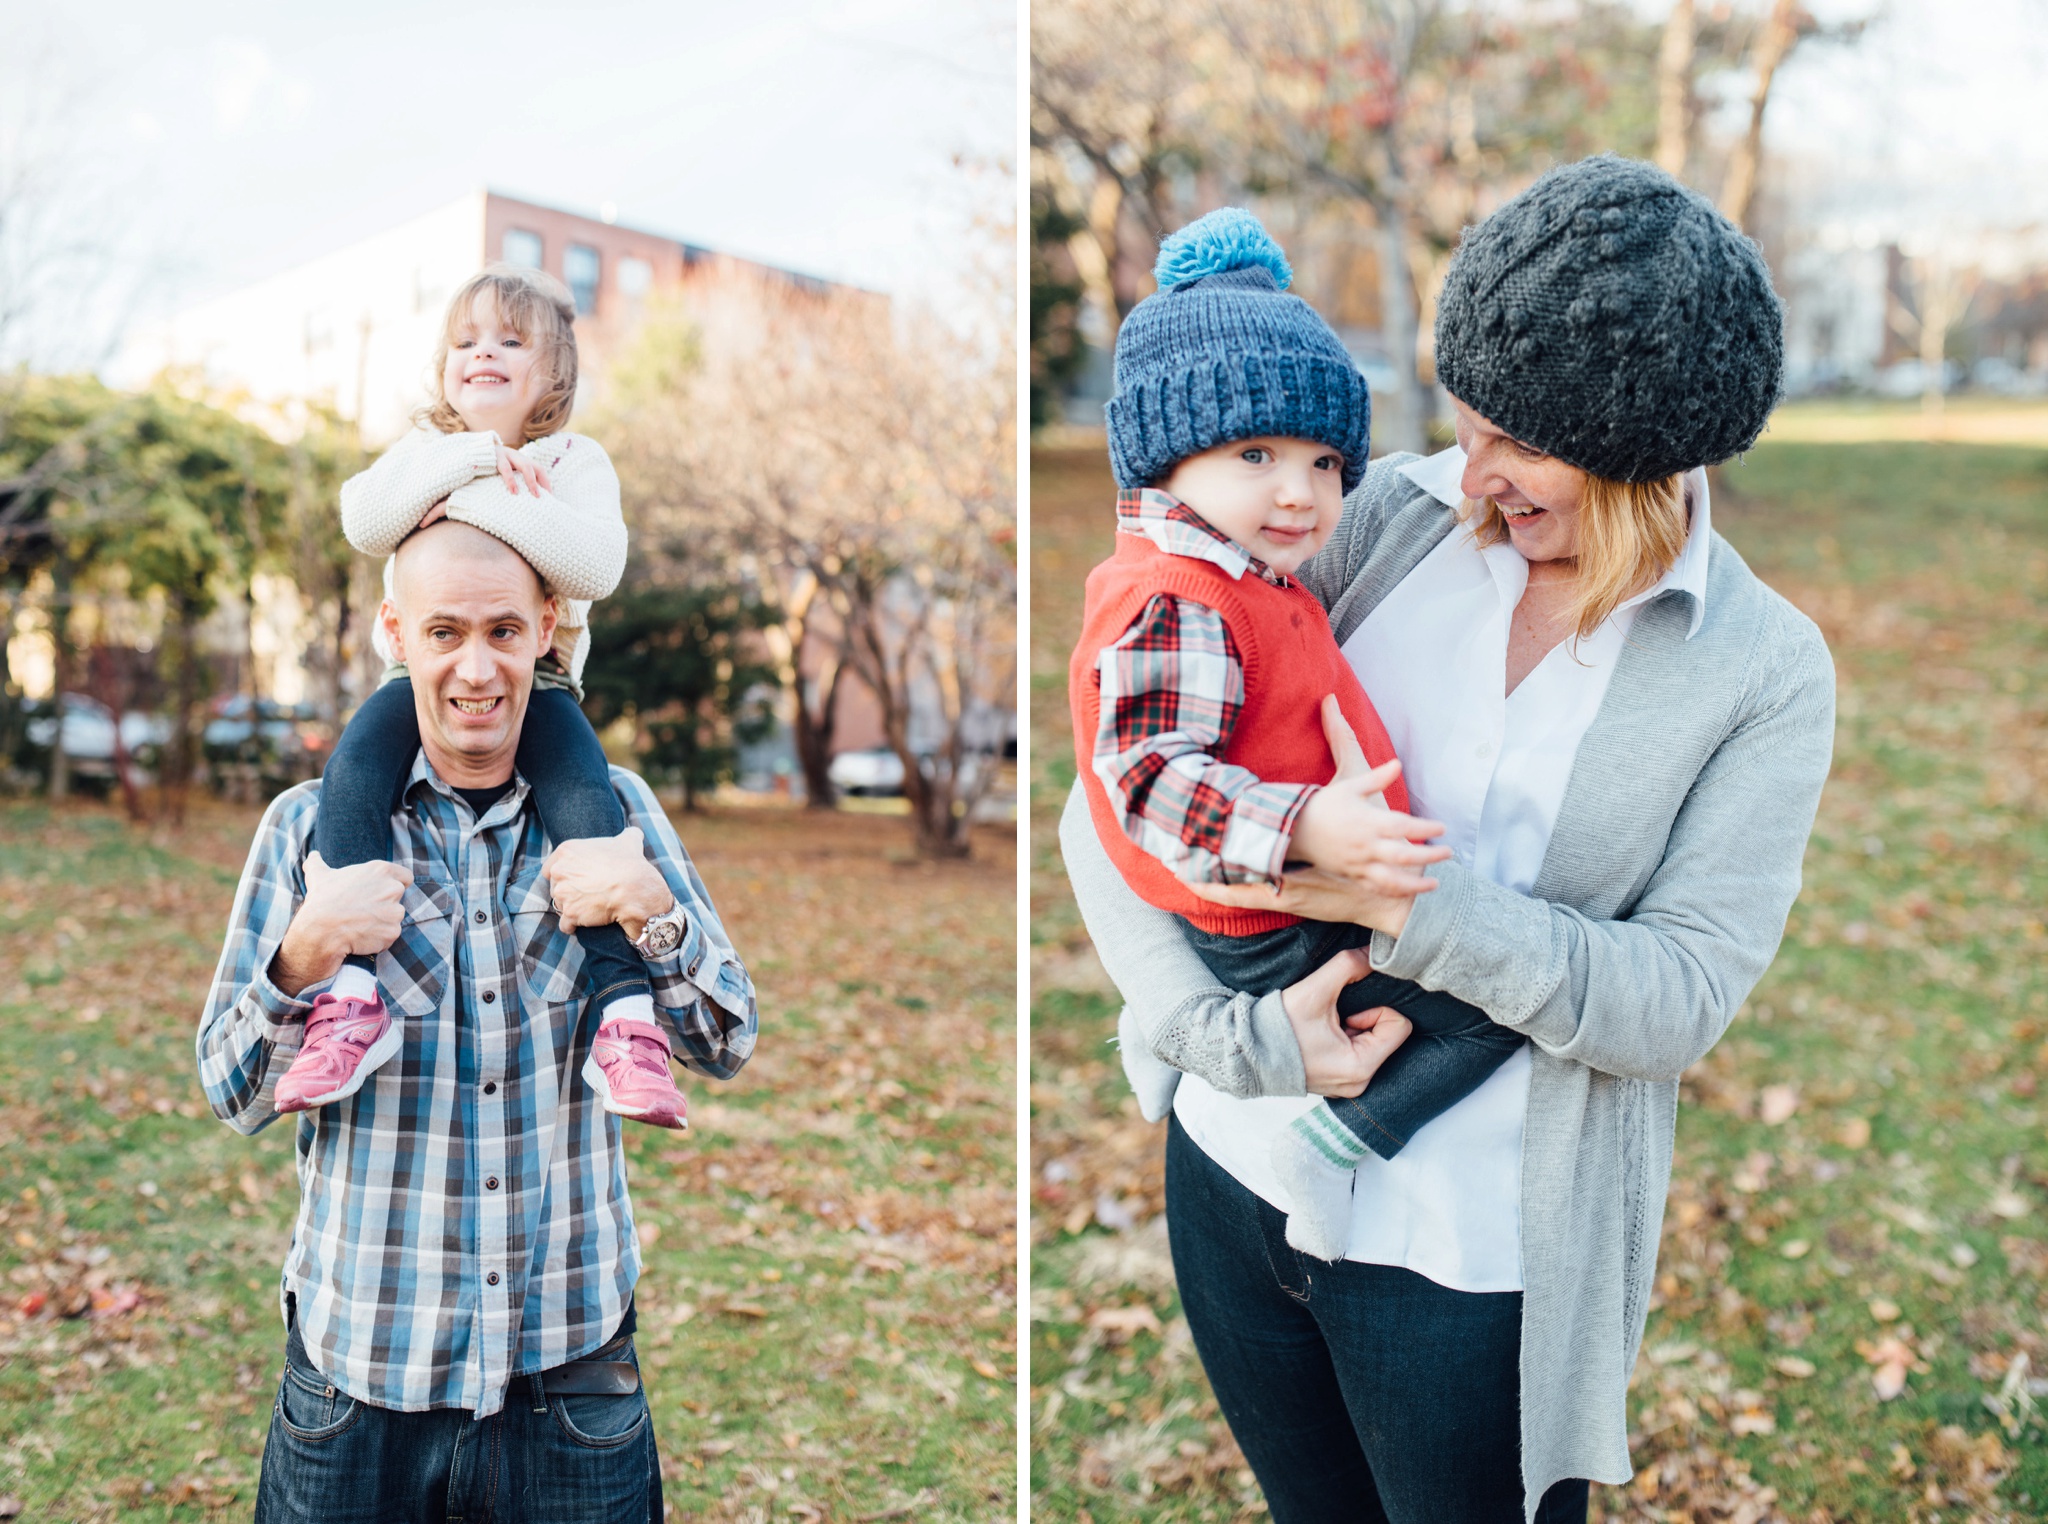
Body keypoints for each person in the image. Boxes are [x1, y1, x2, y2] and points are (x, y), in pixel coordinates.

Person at [1060, 155, 1835, 1522]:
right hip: (1236, 1172)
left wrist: (1415, 908)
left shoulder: (1760, 670)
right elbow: (1108, 801)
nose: (1468, 472)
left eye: (1515, 444)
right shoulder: (1390, 523)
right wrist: (1218, 1042)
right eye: (1460, 423)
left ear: (1644, 451)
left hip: (1475, 1263)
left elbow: (1679, 997)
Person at [197, 518, 756, 1522]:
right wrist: (305, 954)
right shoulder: (304, 828)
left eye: (502, 631)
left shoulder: (613, 810)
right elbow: (231, 1091)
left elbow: (725, 1043)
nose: (475, 668)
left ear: (546, 629)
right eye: (443, 631)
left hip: (568, 1379)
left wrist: (651, 913)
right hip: (358, 1383)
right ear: (395, 632)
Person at [1070, 206, 1525, 1261]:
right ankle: (1329, 1143)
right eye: (1256, 452)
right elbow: (1141, 777)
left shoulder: (1238, 574)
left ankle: (1155, 1030)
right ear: (1166, 460)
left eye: (1324, 462)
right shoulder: (1175, 596)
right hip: (1269, 924)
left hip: (1267, 902)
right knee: (1490, 1002)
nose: (1298, 491)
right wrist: (1308, 824)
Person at [271, 264, 688, 1129]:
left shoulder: (573, 462)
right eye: (464, 340)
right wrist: (470, 463)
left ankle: (626, 1021)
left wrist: (468, 497)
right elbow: (364, 520)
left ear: (554, 372)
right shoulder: (425, 451)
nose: (482, 353)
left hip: (543, 684)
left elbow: (591, 566)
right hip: (406, 683)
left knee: (590, 818)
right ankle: (350, 1000)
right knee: (352, 775)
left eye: (508, 339)